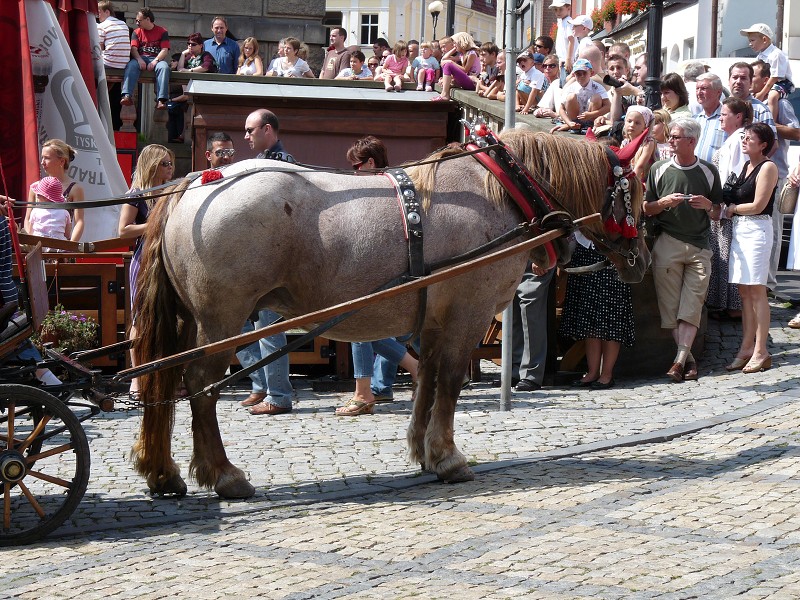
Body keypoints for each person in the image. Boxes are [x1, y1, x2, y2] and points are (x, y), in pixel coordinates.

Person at [334, 136, 420, 415]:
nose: (354, 172)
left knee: (359, 325)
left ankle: (365, 393)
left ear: (370, 163)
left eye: (357, 166)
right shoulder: (396, 182)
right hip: (388, 268)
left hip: (383, 269)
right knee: (363, 328)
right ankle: (402, 374)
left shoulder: (380, 188)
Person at [644, 118, 723, 383]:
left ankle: (678, 362)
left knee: (691, 307)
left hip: (700, 246)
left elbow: (717, 214)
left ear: (691, 141)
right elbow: (646, 208)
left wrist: (708, 205)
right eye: (671, 136)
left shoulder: (709, 171)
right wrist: (664, 203)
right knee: (671, 309)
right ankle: (688, 361)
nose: (671, 140)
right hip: (667, 243)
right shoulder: (658, 168)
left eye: (676, 137)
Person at [239, 109, 294, 415]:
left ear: (268, 130)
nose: (246, 135)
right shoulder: (264, 162)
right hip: (263, 262)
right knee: (263, 332)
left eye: (251, 130)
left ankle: (278, 396)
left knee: (269, 333)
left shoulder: (280, 163)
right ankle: (269, 390)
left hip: (273, 263)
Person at [118, 144, 175, 396]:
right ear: (151, 165)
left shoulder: (172, 192)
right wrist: (154, 223)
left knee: (170, 317)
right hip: (146, 258)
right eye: (165, 163)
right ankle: (136, 378)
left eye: (171, 163)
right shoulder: (137, 194)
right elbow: (124, 230)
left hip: (171, 257)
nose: (170, 167)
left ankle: (169, 377)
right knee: (140, 318)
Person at [721, 122, 778, 373]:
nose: (744, 141)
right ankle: (746, 346)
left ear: (763, 144)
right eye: (743, 137)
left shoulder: (768, 167)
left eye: (749, 138)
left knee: (757, 291)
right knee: (744, 291)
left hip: (757, 229)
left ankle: (761, 350)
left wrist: (732, 209)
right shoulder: (746, 166)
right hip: (741, 230)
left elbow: (758, 204)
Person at [559, 229, 634, 389]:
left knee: (611, 317)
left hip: (613, 251)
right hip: (585, 252)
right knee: (589, 317)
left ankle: (607, 373)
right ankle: (592, 372)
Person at [707, 97, 753, 321]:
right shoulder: (733, 138)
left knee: (729, 255)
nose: (721, 118)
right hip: (724, 207)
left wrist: (723, 206)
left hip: (727, 208)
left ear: (738, 117)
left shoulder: (739, 140)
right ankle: (724, 303)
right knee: (722, 255)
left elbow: (733, 175)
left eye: (724, 114)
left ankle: (733, 306)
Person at [27, 140, 85, 242]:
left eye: (47, 158)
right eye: (42, 157)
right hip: (37, 248)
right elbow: (28, 219)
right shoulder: (35, 187)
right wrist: (33, 243)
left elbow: (79, 221)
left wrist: (70, 247)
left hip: (63, 248)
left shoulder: (75, 189)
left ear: (62, 161)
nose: (42, 162)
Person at [511, 261, 554, 392]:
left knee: (531, 315)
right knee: (512, 316)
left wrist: (541, 257)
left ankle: (531, 374)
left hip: (536, 255)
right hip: (512, 257)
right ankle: (515, 371)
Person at [741, 23, 794, 127]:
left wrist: (762, 92)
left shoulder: (776, 54)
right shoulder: (760, 55)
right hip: (769, 82)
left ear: (764, 39)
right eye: (749, 41)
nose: (750, 44)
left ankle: (770, 123)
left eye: (752, 40)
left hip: (782, 83)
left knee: (772, 96)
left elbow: (775, 77)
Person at [121, 7, 170, 110]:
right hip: (141, 57)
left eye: (139, 20)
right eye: (136, 20)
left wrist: (156, 61)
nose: (137, 23)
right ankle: (127, 95)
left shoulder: (162, 31)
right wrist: (139, 59)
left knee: (164, 68)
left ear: (148, 19)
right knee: (131, 65)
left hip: (156, 58)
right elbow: (133, 48)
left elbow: (164, 50)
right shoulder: (136, 32)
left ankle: (161, 100)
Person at [550, 58, 610, 133]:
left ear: (591, 73)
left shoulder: (597, 87)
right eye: (578, 74)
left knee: (596, 97)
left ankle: (589, 125)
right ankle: (575, 124)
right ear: (574, 75)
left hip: (592, 118)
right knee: (571, 97)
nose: (581, 76)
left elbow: (608, 106)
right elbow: (561, 109)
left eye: (584, 73)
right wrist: (569, 122)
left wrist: (591, 114)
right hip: (575, 119)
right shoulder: (571, 88)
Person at [25, 176, 71, 254]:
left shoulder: (35, 211)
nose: (36, 195)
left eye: (38, 194)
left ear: (45, 197)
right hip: (59, 249)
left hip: (39, 248)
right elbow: (67, 234)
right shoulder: (65, 213)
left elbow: (30, 233)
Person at [430, 32, 479, 102]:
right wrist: (454, 49)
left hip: (472, 82)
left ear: (461, 42)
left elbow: (465, 70)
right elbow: (444, 59)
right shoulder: (462, 55)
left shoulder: (472, 54)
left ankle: (444, 94)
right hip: (468, 79)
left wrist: (451, 62)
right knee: (448, 64)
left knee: (448, 64)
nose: (454, 45)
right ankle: (444, 93)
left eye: (455, 43)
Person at [693, 73, 725, 163]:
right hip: (696, 172)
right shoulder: (695, 120)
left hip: (717, 174)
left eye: (704, 88)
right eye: (697, 89)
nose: (699, 92)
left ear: (718, 92)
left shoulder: (726, 118)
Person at [621, 105, 657, 182]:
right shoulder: (625, 143)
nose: (632, 125)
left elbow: (640, 166)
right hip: (628, 179)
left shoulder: (648, 142)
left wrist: (633, 184)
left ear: (645, 127)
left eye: (637, 123)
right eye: (629, 121)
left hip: (643, 181)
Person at [97, 1, 130, 69]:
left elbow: (99, 48)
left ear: (107, 12)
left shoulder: (102, 26)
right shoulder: (123, 23)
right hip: (124, 64)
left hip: (108, 63)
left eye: (99, 12)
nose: (97, 15)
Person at [549, 0, 574, 77]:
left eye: (560, 9)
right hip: (562, 60)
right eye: (556, 9)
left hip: (566, 61)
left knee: (565, 85)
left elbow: (571, 40)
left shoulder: (568, 22)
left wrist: (568, 59)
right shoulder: (561, 21)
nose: (558, 12)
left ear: (568, 8)